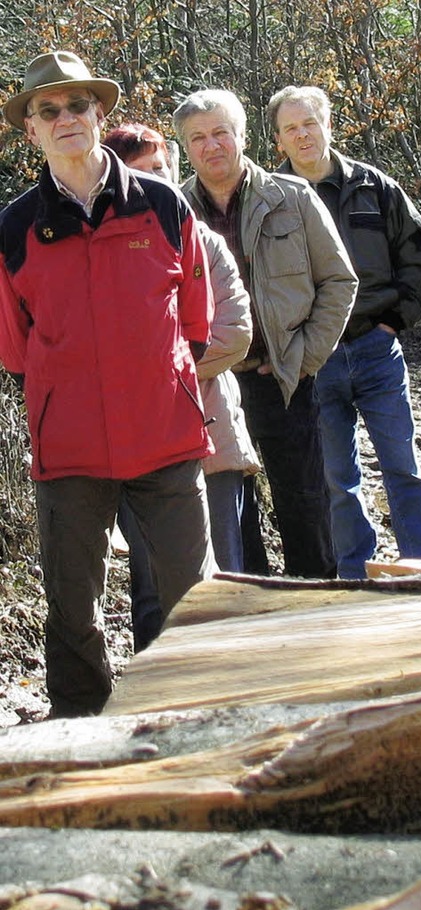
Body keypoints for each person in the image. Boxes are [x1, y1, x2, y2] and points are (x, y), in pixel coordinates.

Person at [0, 53, 217, 716]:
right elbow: (13, 347)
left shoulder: (162, 204)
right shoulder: (13, 229)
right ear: (31, 128)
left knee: (196, 597)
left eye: (77, 106)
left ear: (100, 113)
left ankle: (207, 715)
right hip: (69, 452)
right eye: (49, 110)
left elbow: (197, 318)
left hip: (167, 438)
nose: (66, 119)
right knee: (72, 608)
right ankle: (77, 735)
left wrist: (164, 380)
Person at [172, 89, 358, 579]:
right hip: (213, 385)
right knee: (233, 516)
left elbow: (339, 281)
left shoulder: (292, 197)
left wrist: (304, 356)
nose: (211, 146)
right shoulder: (172, 211)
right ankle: (251, 616)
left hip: (283, 376)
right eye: (198, 138)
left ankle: (316, 613)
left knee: (305, 504)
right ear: (185, 148)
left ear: (242, 136)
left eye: (220, 133)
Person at [266, 85, 421, 579]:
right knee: (335, 480)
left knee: (404, 467)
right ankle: (355, 575)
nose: (303, 135)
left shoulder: (374, 186)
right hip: (312, 358)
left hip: (374, 346)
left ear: (328, 124)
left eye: (311, 123)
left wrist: (395, 322)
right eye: (291, 128)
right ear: (278, 138)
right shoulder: (270, 199)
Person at [103, 122, 260, 649]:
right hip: (134, 446)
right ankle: (156, 695)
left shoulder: (204, 241)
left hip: (210, 430)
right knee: (151, 590)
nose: (159, 180)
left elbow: (234, 333)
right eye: (143, 172)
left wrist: (160, 373)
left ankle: (232, 692)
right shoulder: (103, 249)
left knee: (223, 582)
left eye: (163, 168)